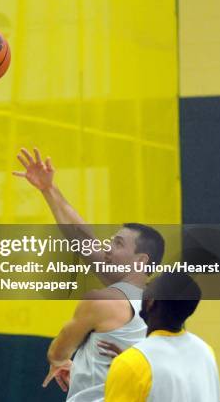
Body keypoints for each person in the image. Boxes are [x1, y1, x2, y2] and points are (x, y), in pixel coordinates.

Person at [13, 147, 165, 401]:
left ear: (140, 260)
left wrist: (61, 360)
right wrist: (48, 189)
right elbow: (84, 240)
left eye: (117, 244)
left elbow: (58, 351)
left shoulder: (104, 300)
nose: (106, 246)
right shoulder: (160, 305)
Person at [104, 272, 220, 402]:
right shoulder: (206, 352)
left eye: (148, 286)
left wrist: (131, 365)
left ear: (151, 302)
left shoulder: (131, 363)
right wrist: (137, 362)